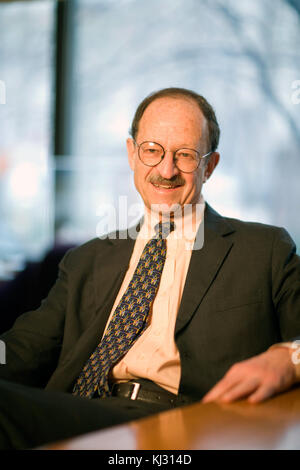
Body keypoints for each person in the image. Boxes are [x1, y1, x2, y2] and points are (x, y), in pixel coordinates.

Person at [0, 87, 300, 450]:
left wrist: (290, 357)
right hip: (78, 415)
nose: (166, 169)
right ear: (132, 154)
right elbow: (21, 349)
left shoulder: (263, 249)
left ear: (211, 165)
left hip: (186, 423)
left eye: (186, 155)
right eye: (152, 150)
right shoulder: (87, 260)